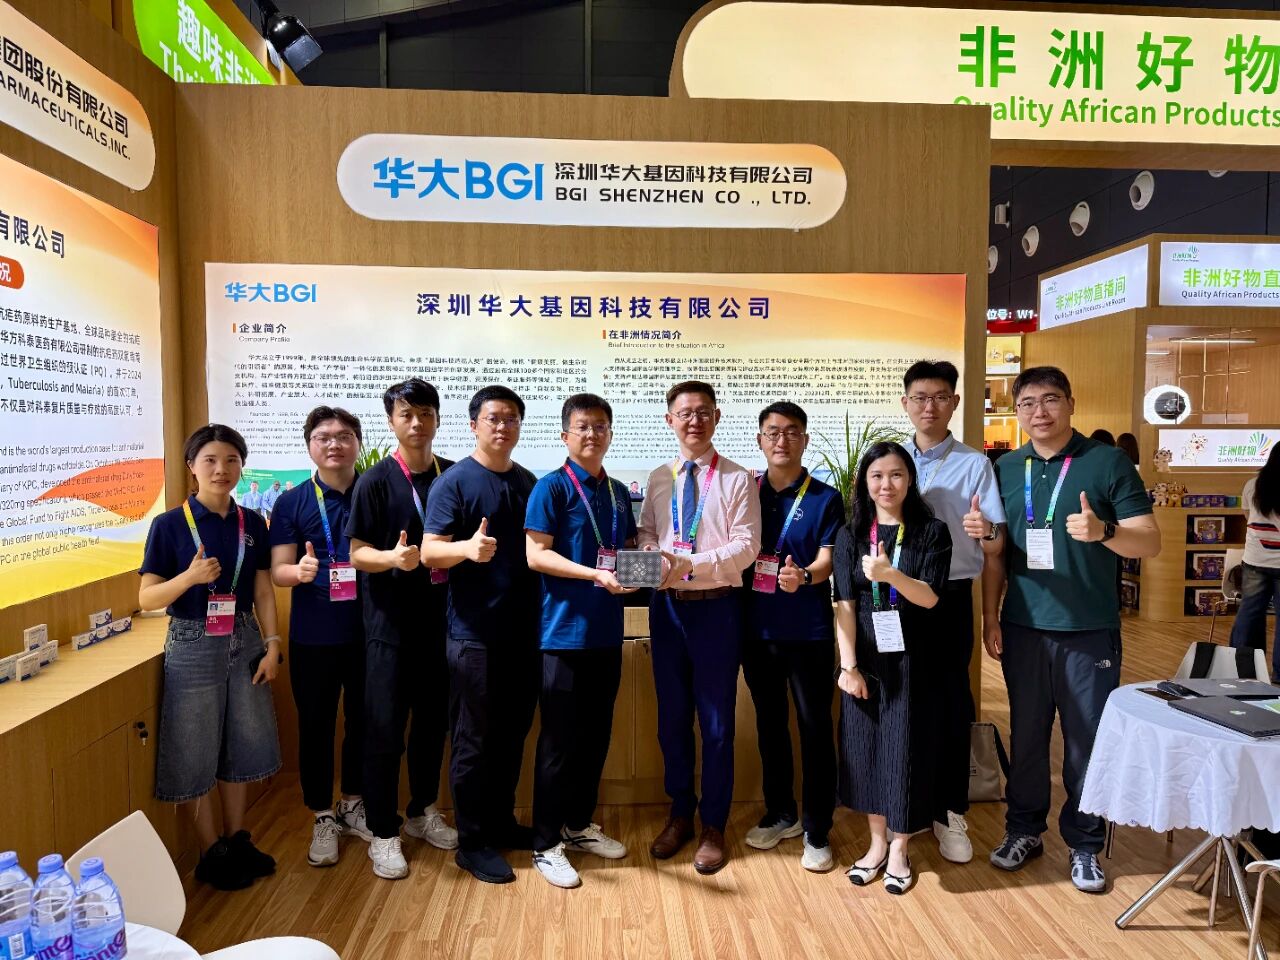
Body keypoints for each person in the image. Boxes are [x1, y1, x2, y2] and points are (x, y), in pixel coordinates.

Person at [982, 366, 1159, 893]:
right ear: (1017, 410)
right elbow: (998, 555)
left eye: (1051, 400)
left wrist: (1105, 531)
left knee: (1086, 740)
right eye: (1028, 403)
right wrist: (989, 615)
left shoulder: (1107, 462)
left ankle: (1085, 844)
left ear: (1071, 403)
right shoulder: (1005, 467)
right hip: (1023, 625)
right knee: (1027, 735)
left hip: (1088, 629)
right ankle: (1023, 830)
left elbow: (1149, 541)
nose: (1040, 412)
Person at [139, 424, 282, 890]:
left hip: (244, 637)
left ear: (242, 466)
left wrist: (273, 643)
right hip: (193, 641)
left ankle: (236, 838)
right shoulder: (169, 525)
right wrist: (189, 578)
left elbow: (263, 589)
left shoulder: (251, 522)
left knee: (243, 739)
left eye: (231, 460)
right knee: (193, 745)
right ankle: (210, 851)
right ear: (192, 467)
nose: (222, 470)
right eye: (211, 461)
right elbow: (147, 598)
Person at [638, 380, 761, 875]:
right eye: (685, 413)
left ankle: (714, 824)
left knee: (716, 724)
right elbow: (648, 533)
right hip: (667, 610)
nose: (695, 420)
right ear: (670, 420)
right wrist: (651, 552)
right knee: (671, 721)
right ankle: (680, 814)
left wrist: (690, 563)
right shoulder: (658, 477)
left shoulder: (737, 478)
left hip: (717, 610)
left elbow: (747, 546)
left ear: (716, 417)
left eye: (704, 412)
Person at [422, 385, 541, 884]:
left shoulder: (528, 481)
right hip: (473, 635)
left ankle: (501, 822)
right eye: (493, 418)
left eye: (511, 419)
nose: (503, 426)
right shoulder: (453, 482)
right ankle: (471, 842)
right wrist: (467, 550)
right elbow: (429, 551)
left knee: (512, 734)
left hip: (524, 632)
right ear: (473, 425)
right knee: (474, 740)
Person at [523, 394, 637, 888]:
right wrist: (594, 574)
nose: (593, 434)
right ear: (565, 435)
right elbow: (536, 555)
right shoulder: (550, 487)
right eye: (583, 427)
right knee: (558, 743)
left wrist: (648, 566)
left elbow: (627, 549)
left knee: (595, 737)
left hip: (607, 634)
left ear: (610, 433)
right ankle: (546, 843)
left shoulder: (617, 492)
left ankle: (577, 825)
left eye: (601, 426)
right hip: (563, 636)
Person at [346, 379, 459, 880]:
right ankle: (383, 830)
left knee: (433, 726)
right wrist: (391, 558)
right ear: (391, 420)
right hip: (389, 629)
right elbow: (356, 554)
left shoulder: (451, 474)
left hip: (443, 625)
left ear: (437, 418)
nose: (417, 423)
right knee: (385, 731)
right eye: (406, 414)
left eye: (425, 413)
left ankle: (421, 811)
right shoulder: (374, 481)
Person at [833, 441, 951, 896]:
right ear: (865, 482)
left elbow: (931, 597)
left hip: (915, 657)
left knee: (905, 749)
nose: (887, 484)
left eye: (897, 474)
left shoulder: (931, 532)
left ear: (910, 479)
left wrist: (890, 575)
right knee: (864, 749)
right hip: (864, 656)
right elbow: (844, 604)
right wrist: (848, 667)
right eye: (877, 475)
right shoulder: (851, 534)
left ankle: (901, 848)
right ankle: (876, 843)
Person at [900, 361, 1005, 865]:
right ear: (905, 403)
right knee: (902, 701)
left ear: (955, 403)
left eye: (940, 397)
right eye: (920, 397)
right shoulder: (891, 459)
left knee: (950, 703)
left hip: (950, 595)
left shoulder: (974, 464)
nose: (930, 406)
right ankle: (906, 804)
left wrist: (987, 531)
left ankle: (949, 810)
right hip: (895, 596)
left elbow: (996, 543)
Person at [741, 401, 843, 873]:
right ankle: (781, 813)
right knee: (769, 724)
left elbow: (827, 559)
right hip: (757, 631)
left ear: (805, 439)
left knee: (815, 726)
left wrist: (803, 576)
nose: (782, 440)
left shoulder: (825, 497)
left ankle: (817, 829)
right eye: (773, 432)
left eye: (792, 432)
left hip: (809, 631)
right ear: (760, 440)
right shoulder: (745, 492)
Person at [269, 406, 369, 867]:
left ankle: (353, 802)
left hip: (370, 633)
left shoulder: (375, 491)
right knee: (316, 725)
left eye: (344, 436)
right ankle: (322, 813)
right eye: (324, 436)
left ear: (358, 443)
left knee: (365, 722)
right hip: (314, 635)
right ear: (310, 444)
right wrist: (299, 570)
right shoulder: (292, 502)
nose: (335, 444)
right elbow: (278, 570)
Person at [1229, 444, 1280, 678]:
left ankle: (1244, 671)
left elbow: (1247, 516)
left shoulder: (1252, 484)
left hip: (1255, 559)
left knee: (1249, 614)